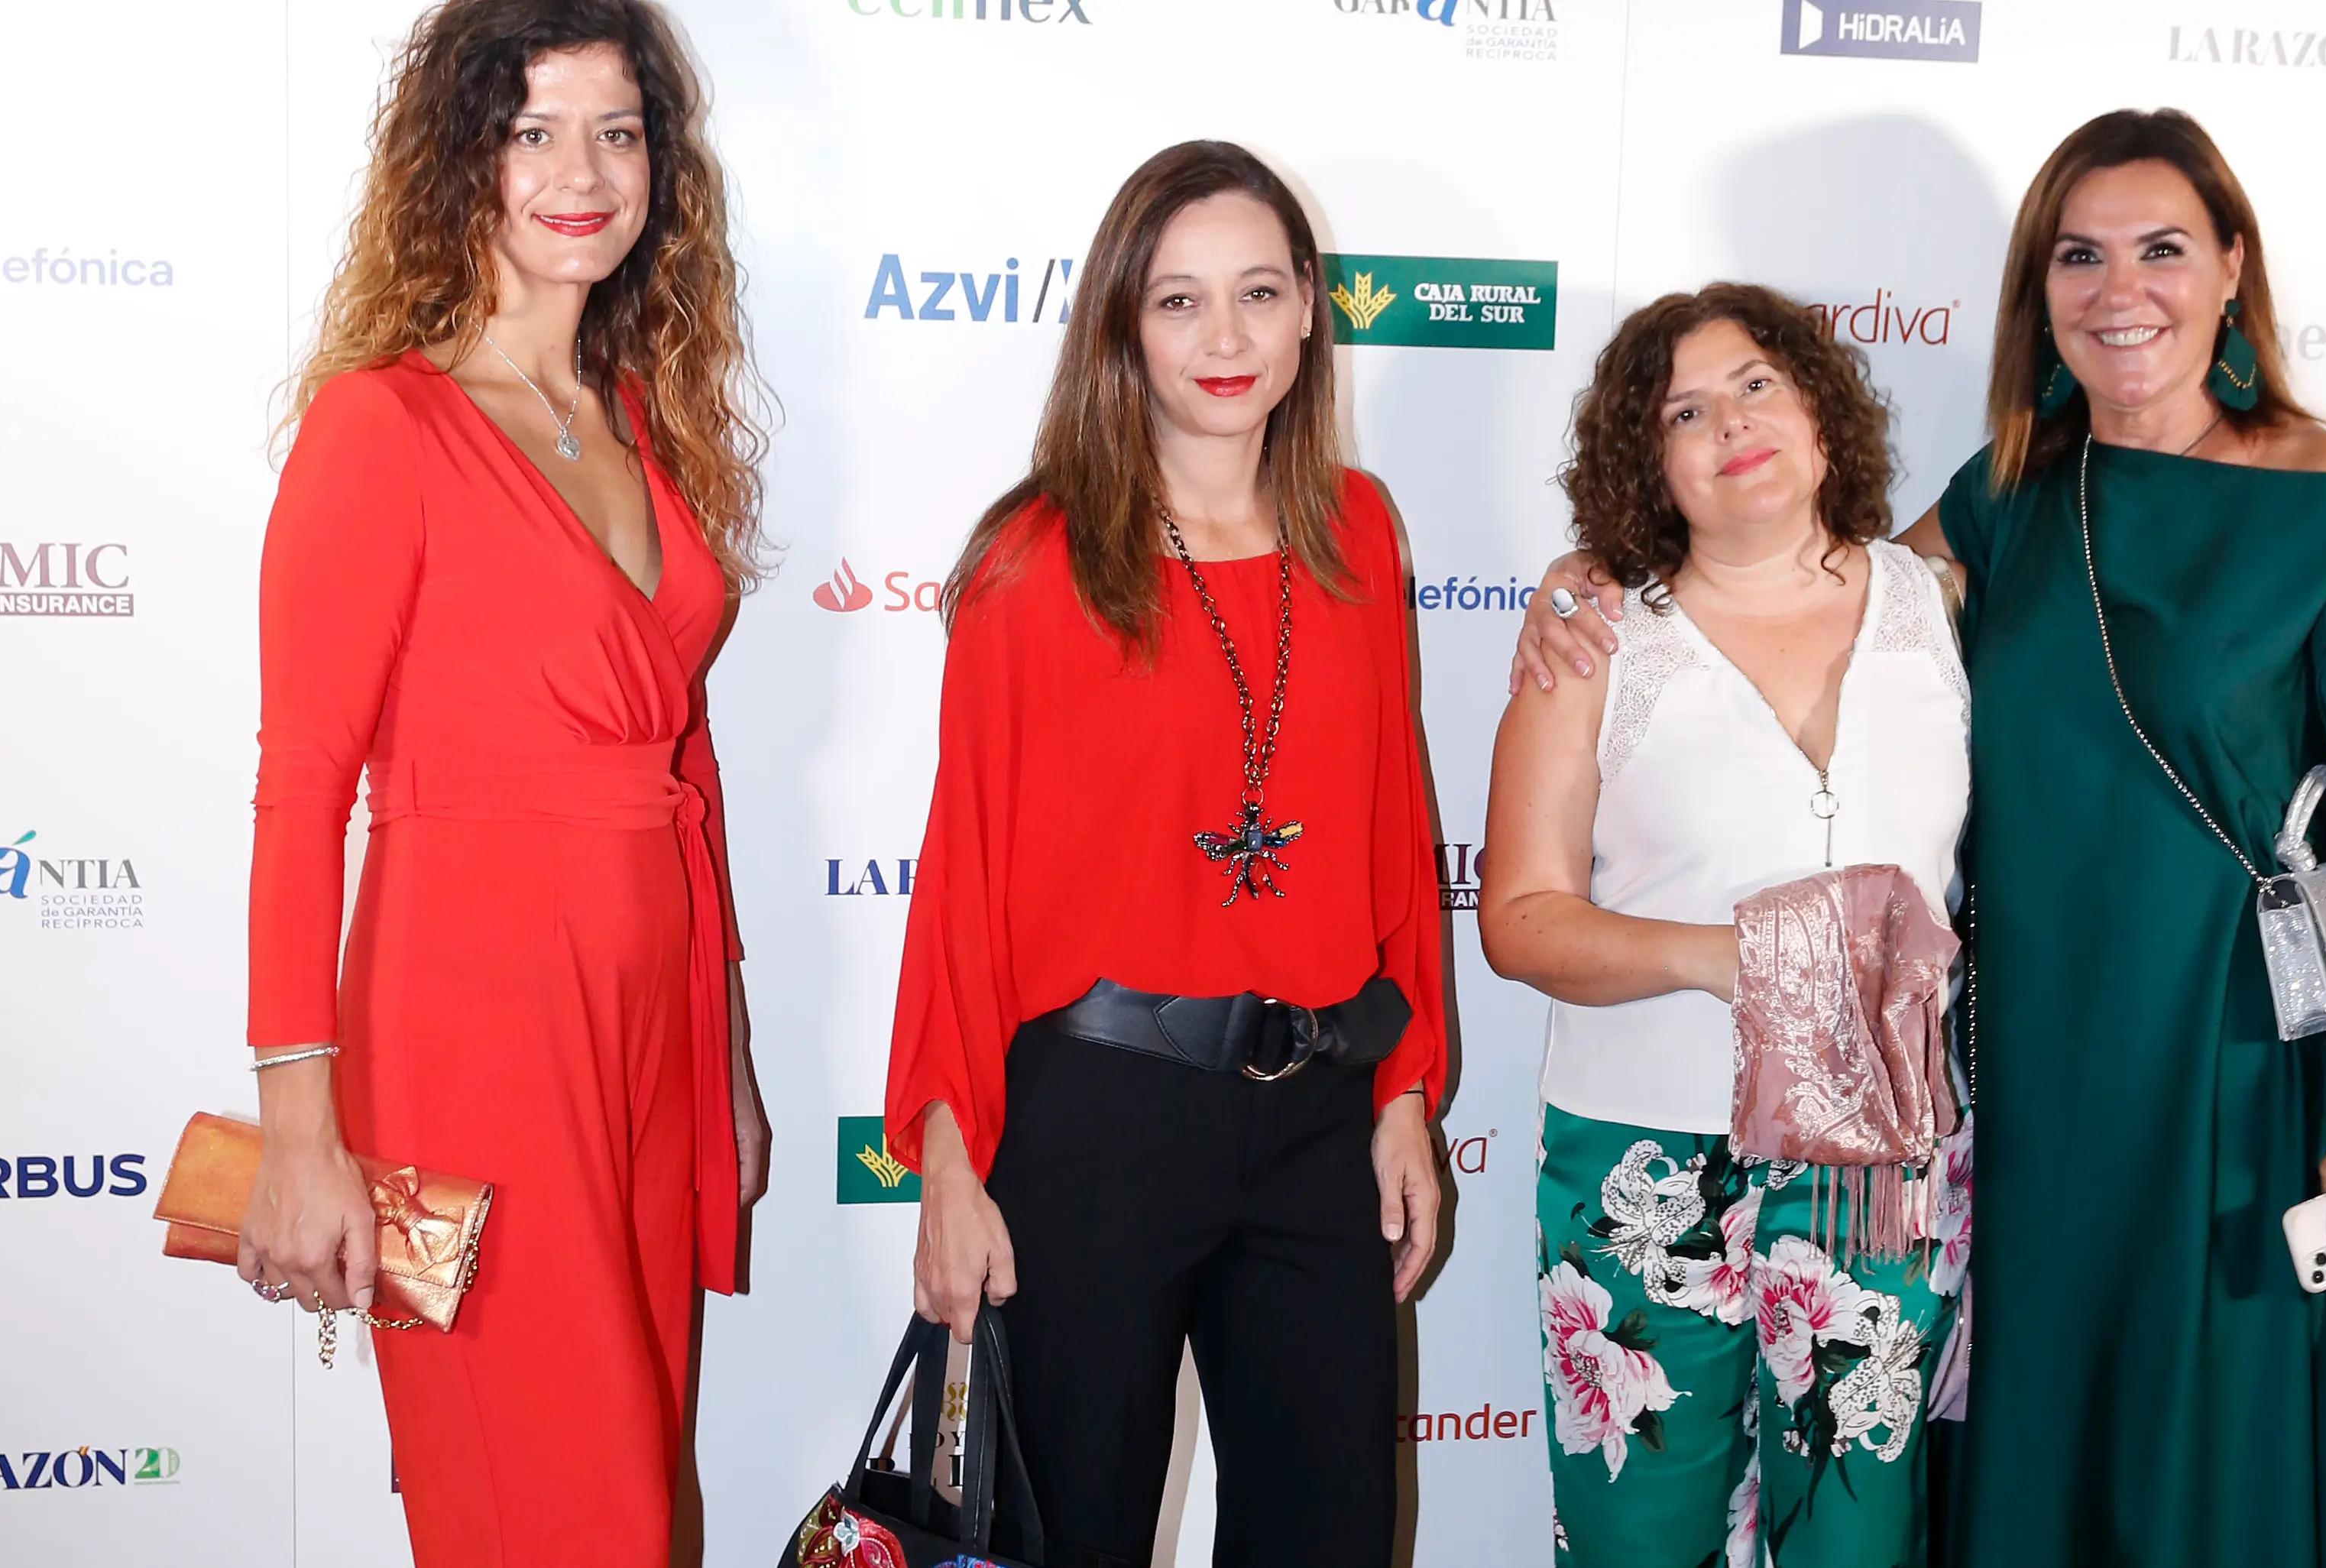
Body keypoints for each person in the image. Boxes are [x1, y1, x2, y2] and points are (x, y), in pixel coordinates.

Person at [1514, 111, 2326, 1568]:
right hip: (2006, 1098)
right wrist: (1600, 573)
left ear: (2232, 268)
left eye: (2162, 249)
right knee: (2017, 1476)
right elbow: (1792, 586)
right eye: (2077, 257)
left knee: (2208, 1477)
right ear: (2040, 292)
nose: (2119, 290)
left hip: (2224, 1079)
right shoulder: (2010, 498)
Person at [238, 3, 770, 1563]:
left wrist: (723, 1048)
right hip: (469, 1030)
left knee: (636, 1503)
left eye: (617, 131)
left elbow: (688, 763)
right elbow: (298, 791)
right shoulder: (380, 426)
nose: (580, 173)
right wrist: (298, 1131)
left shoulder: (640, 428)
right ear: (460, 155)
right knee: (554, 1512)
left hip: (648, 1034)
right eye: (532, 130)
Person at [884, 139, 1448, 1568]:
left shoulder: (1361, 537)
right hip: (1097, 1124)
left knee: (1331, 1538)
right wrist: (951, 1158)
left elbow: (1393, 830)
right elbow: (964, 876)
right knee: (1070, 1538)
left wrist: (1403, 1092)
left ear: (1312, 310)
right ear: (1124, 325)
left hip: (1320, 1113)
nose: (1227, 338)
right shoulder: (1035, 560)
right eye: (1181, 301)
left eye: (1260, 293)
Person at [1482, 284, 1970, 1568]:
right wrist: (1730, 961)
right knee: (1642, 1542)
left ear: (1819, 409)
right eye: (1683, 411)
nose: (1731, 423)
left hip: (1879, 1167)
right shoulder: (1596, 643)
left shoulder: (1937, 604)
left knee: (1858, 1545)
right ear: (1649, 466)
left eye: (1757, 383)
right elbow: (1521, 921)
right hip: (1647, 1166)